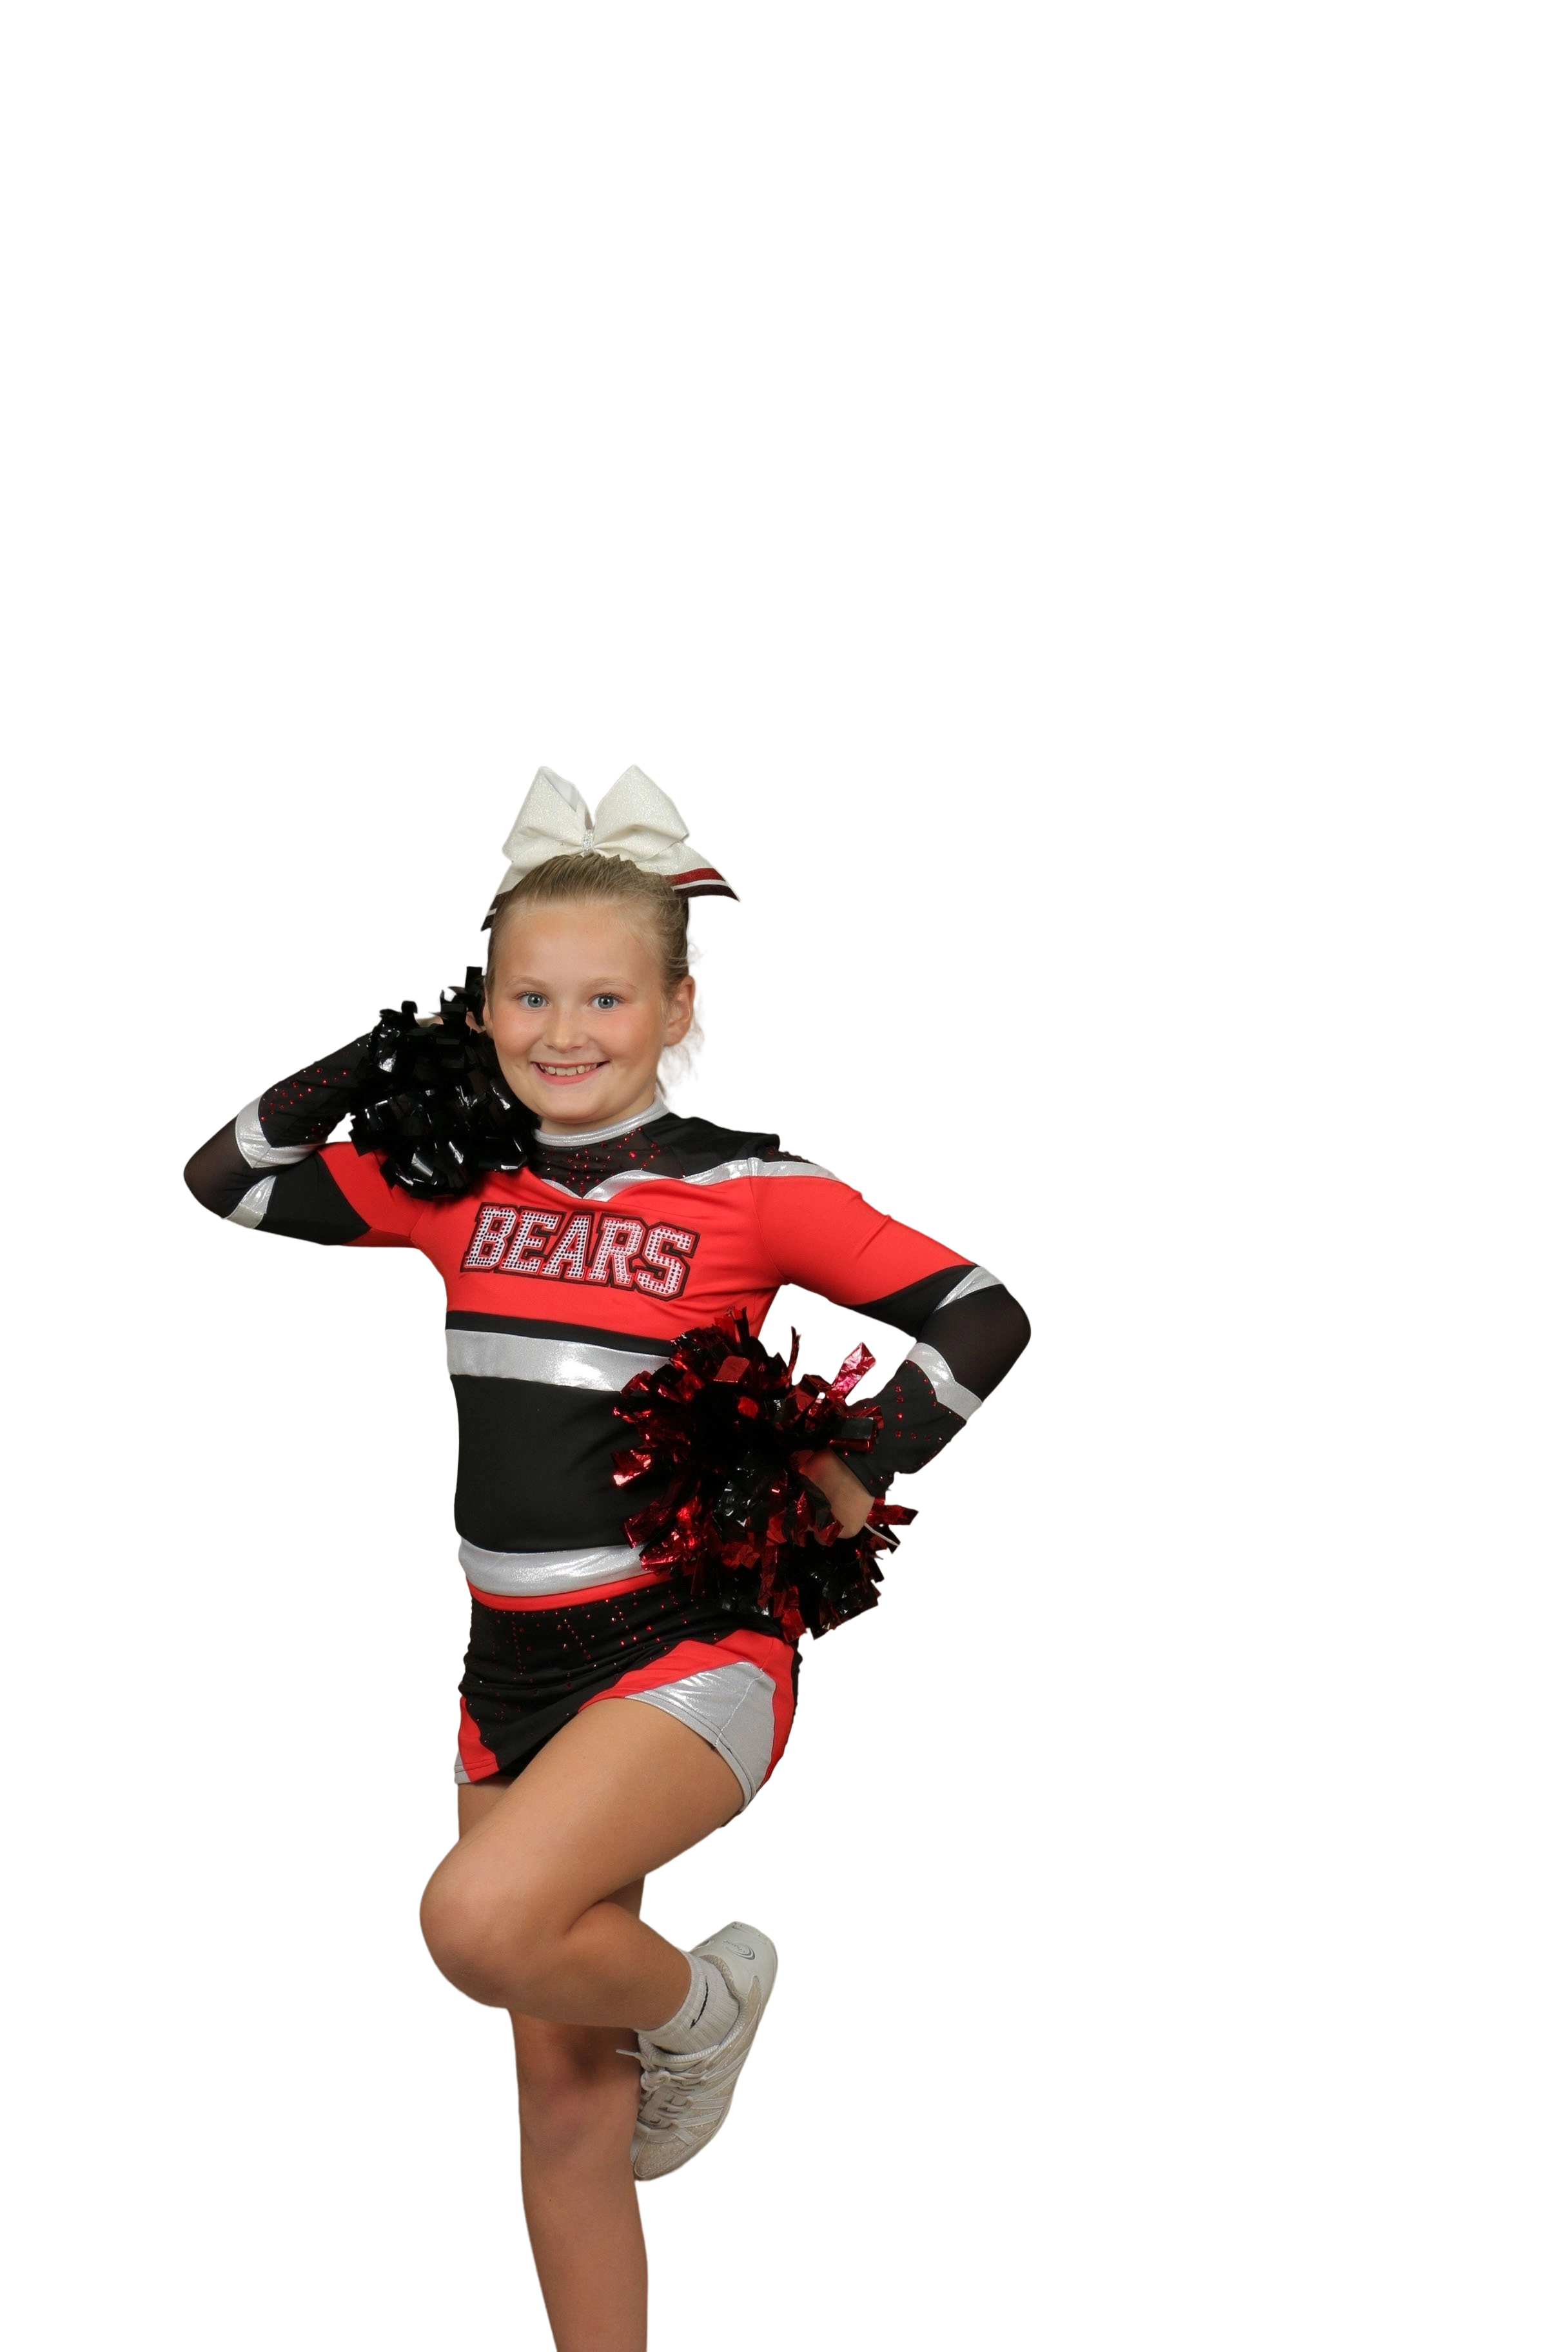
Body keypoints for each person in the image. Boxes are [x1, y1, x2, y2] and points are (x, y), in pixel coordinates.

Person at [179, 763, 1033, 2350]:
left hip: (684, 1643)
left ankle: (707, 2007)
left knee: (479, 1928)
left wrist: (850, 1462)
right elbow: (228, 1181)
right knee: (564, 2097)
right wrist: (380, 1050)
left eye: (605, 998)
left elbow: (981, 1312)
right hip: (503, 1668)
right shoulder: (455, 1184)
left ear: (681, 1010)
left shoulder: (753, 1189)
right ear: (482, 1008)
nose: (562, 1033)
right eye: (526, 998)